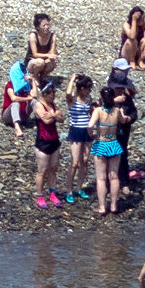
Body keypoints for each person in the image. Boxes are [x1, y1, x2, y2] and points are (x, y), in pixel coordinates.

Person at [88, 86, 129, 215]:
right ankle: (113, 206)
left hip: (101, 143)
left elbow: (90, 125)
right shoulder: (116, 110)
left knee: (101, 178)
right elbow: (123, 121)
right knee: (114, 176)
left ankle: (102, 207)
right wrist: (125, 116)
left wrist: (92, 135)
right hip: (113, 144)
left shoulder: (98, 111)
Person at [105, 61, 139, 191]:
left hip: (123, 131)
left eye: (121, 88)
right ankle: (109, 184)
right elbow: (100, 109)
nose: (119, 90)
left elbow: (134, 113)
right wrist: (113, 102)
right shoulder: (107, 96)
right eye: (117, 88)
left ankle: (124, 182)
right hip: (109, 132)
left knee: (123, 155)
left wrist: (128, 119)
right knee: (108, 156)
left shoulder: (127, 98)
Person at [31, 78, 63, 208]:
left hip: (54, 140)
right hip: (43, 142)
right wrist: (54, 115)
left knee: (53, 169)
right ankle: (40, 196)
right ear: (45, 94)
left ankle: (52, 193)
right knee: (42, 171)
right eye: (52, 94)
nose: (54, 96)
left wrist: (53, 115)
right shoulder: (39, 105)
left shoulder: (52, 106)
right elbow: (46, 121)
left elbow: (61, 118)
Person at [62, 74, 94, 203]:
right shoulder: (72, 99)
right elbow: (68, 92)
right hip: (75, 131)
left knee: (85, 160)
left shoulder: (88, 98)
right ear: (81, 88)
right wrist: (72, 79)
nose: (89, 91)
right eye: (87, 88)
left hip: (86, 131)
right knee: (74, 162)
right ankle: (69, 190)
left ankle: (79, 188)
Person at [1, 60, 33, 138]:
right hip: (8, 116)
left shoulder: (27, 85)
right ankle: (17, 126)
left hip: (23, 114)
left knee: (34, 101)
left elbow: (34, 95)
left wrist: (33, 81)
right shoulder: (10, 84)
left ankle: (42, 121)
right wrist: (27, 98)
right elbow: (13, 98)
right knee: (15, 103)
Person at [120, 6, 145, 72]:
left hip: (138, 50)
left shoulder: (144, 23)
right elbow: (132, 36)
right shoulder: (126, 25)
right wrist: (134, 20)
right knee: (131, 41)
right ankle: (132, 61)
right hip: (127, 52)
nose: (142, 19)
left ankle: (140, 60)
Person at [25, 13, 58, 81]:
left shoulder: (52, 36)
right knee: (40, 62)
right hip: (32, 61)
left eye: (47, 25)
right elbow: (35, 54)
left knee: (52, 63)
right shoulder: (33, 36)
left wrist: (50, 57)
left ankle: (42, 77)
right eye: (44, 25)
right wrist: (48, 56)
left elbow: (52, 53)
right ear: (38, 27)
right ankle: (34, 76)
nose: (46, 27)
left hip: (45, 60)